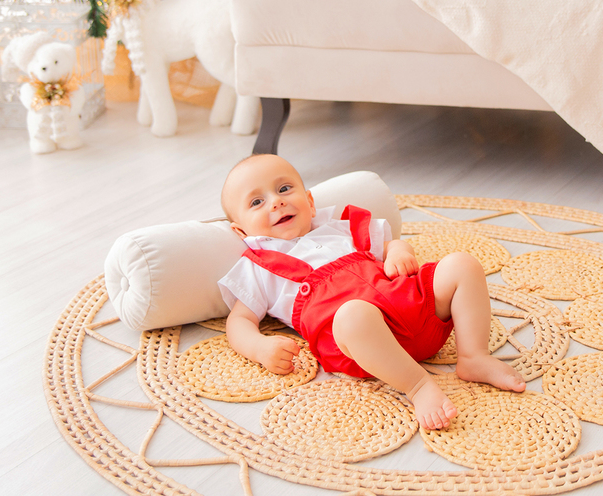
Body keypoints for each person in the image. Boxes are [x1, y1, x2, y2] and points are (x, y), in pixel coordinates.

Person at [217, 154, 525, 430]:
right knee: (352, 313)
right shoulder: (257, 267)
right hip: (362, 346)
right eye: (257, 202)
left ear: (310, 202)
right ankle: (418, 386)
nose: (276, 202)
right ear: (240, 231)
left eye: (284, 189)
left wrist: (397, 252)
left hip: (411, 307)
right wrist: (259, 347)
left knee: (462, 264)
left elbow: (390, 246)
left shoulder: (338, 228)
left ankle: (474, 356)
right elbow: (240, 321)